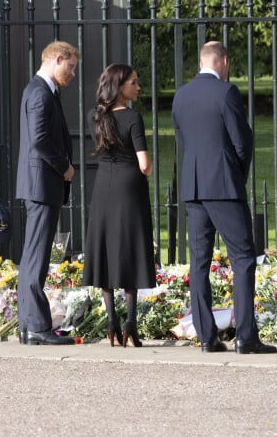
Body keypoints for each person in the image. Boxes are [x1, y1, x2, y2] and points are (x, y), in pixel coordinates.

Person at [171, 41, 277, 354]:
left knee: (199, 262)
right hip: (223, 185)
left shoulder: (181, 95)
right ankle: (245, 336)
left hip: (193, 186)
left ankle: (206, 336)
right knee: (243, 258)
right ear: (224, 61)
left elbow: (184, 141)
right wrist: (236, 175)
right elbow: (242, 142)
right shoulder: (226, 92)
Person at [82, 64, 155, 348]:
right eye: (134, 83)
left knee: (106, 248)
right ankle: (131, 324)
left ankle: (111, 322)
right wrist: (146, 172)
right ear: (120, 86)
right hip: (129, 187)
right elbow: (145, 164)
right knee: (130, 248)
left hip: (103, 185)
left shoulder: (94, 116)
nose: (138, 88)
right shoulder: (133, 118)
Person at [15, 41, 80, 346]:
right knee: (36, 259)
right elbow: (40, 140)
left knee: (33, 258)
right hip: (42, 185)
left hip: (40, 186)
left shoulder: (42, 91)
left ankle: (29, 326)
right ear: (57, 59)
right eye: (72, 66)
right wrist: (65, 166)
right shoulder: (40, 92)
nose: (74, 73)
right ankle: (37, 326)